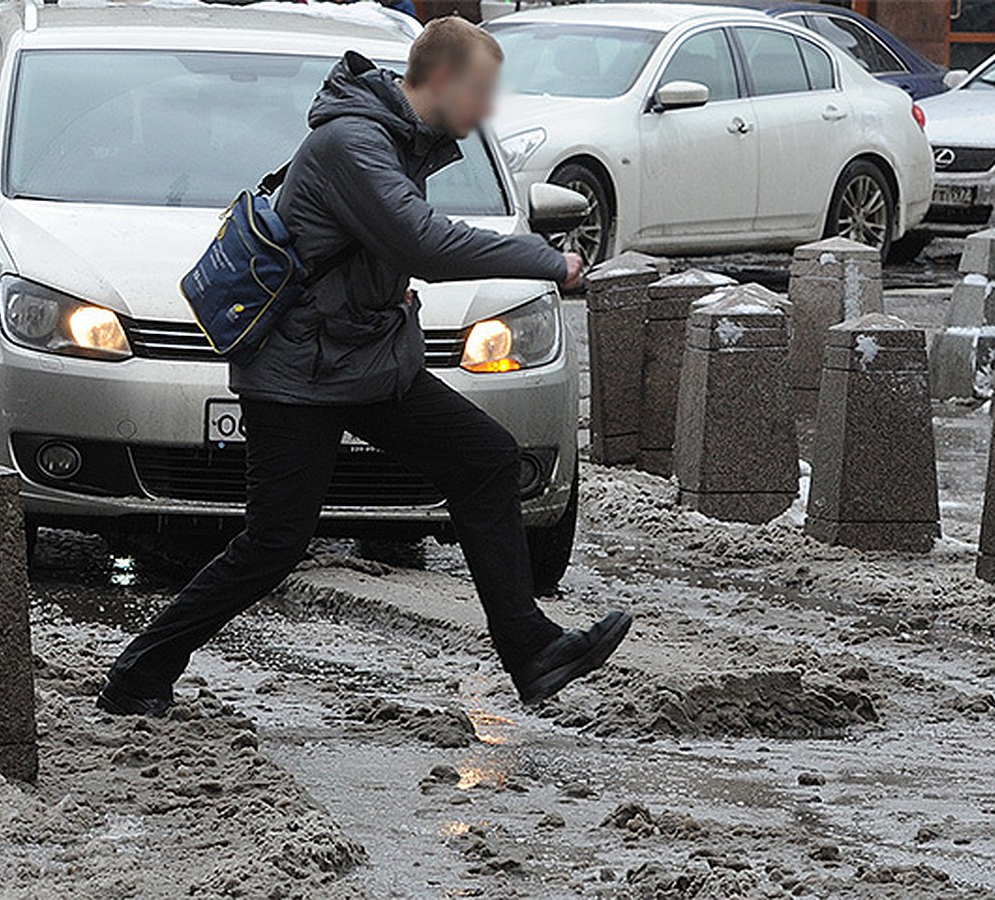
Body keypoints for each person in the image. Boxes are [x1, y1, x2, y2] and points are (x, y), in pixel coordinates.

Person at [98, 17, 631, 717]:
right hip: (300, 375)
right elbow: (423, 243)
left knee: (486, 460)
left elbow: (377, 249)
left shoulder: (400, 142)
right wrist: (546, 261)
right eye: (477, 92)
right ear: (438, 81)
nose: (484, 110)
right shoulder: (352, 142)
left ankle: (532, 651)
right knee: (274, 543)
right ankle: (138, 672)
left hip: (363, 360)